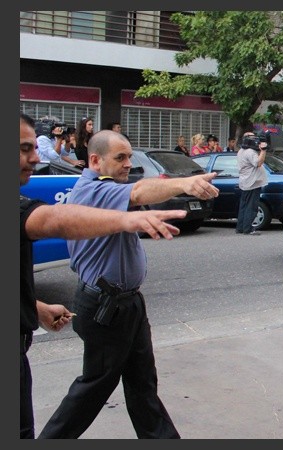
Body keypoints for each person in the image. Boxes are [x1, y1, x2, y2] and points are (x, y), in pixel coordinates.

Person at [37, 130, 219, 439]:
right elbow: (139, 191)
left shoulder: (107, 190)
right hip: (106, 308)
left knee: (142, 383)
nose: (127, 164)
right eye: (120, 158)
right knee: (93, 388)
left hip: (127, 304)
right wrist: (184, 183)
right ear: (95, 160)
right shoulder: (94, 191)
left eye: (129, 157)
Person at [235, 131, 268, 235]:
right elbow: (258, 163)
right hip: (252, 182)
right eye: (253, 137)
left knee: (244, 206)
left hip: (246, 182)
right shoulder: (250, 152)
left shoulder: (241, 151)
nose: (255, 139)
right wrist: (263, 151)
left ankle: (241, 227)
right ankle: (248, 229)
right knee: (251, 206)